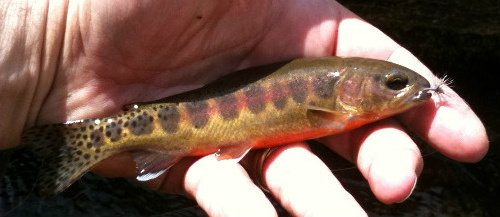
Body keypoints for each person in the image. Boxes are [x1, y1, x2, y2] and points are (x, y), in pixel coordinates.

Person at [0, 1, 488, 216]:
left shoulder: (340, 99)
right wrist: (55, 34)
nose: (404, 89)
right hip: (176, 121)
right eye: (394, 84)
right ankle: (75, 145)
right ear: (351, 89)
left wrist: (48, 46)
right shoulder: (332, 100)